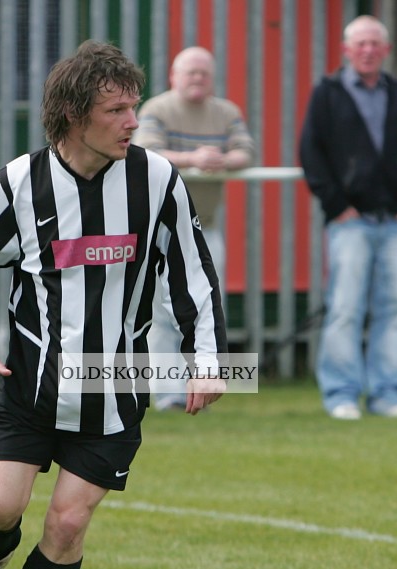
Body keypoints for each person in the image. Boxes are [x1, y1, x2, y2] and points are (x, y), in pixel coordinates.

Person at [0, 41, 226, 569]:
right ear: (74, 115)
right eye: (117, 109)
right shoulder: (18, 183)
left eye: (133, 106)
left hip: (114, 387)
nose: (133, 120)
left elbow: (193, 275)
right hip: (30, 386)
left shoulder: (157, 180)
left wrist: (207, 358)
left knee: (68, 522)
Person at [299, 15, 397, 421]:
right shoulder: (328, 94)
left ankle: (387, 395)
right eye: (361, 44)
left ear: (386, 50)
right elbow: (311, 153)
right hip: (350, 222)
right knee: (345, 307)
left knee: (394, 310)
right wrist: (337, 207)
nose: (369, 50)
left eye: (376, 43)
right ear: (347, 50)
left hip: (396, 222)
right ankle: (341, 394)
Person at [132, 46, 254, 411]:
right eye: (190, 72)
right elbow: (146, 151)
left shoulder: (226, 111)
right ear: (174, 76)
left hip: (205, 227)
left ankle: (204, 386)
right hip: (158, 229)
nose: (197, 78)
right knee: (162, 312)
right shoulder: (156, 109)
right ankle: (168, 394)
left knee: (204, 308)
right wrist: (193, 160)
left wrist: (223, 160)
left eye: (203, 72)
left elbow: (247, 150)